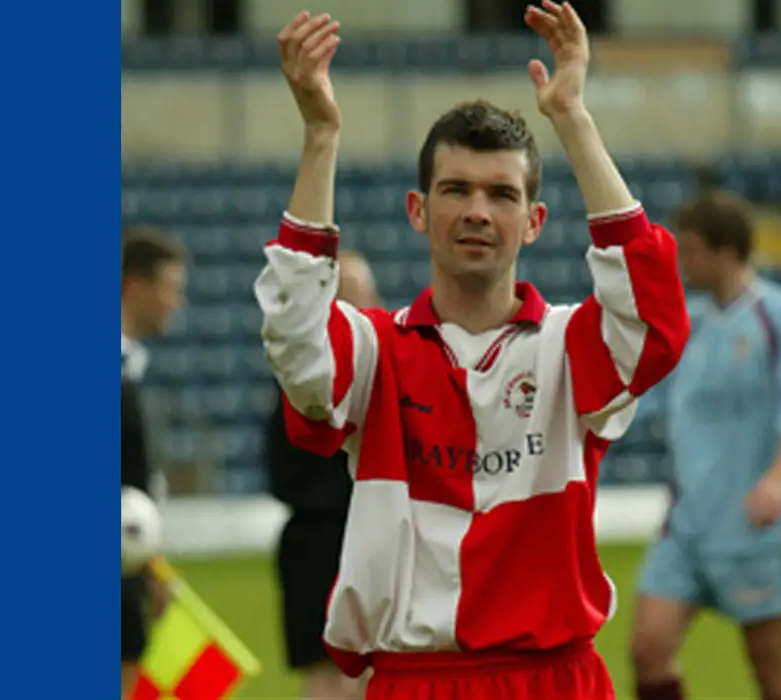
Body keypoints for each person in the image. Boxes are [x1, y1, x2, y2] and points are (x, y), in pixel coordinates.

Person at [255, 3, 691, 699]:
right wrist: (320, 135)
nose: (478, 212)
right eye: (455, 190)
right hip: (414, 678)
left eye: (501, 194)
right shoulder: (373, 350)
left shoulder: (570, 347)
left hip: (553, 676)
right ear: (418, 210)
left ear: (535, 220)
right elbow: (296, 342)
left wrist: (572, 118)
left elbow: (655, 317)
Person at [630, 192, 781, 700]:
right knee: (647, 648)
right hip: (687, 523)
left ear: (727, 252)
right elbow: (645, 401)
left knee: (773, 671)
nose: (683, 262)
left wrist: (779, 482)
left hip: (756, 526)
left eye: (691, 250)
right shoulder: (686, 323)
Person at [267, 250, 378, 700]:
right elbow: (283, 473)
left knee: (379, 667)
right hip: (320, 544)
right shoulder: (300, 383)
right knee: (328, 673)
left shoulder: (389, 370)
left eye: (364, 293)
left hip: (374, 541)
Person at [121, 227, 187, 699]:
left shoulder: (131, 366)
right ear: (136, 287)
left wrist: (153, 566)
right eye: (170, 290)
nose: (175, 304)